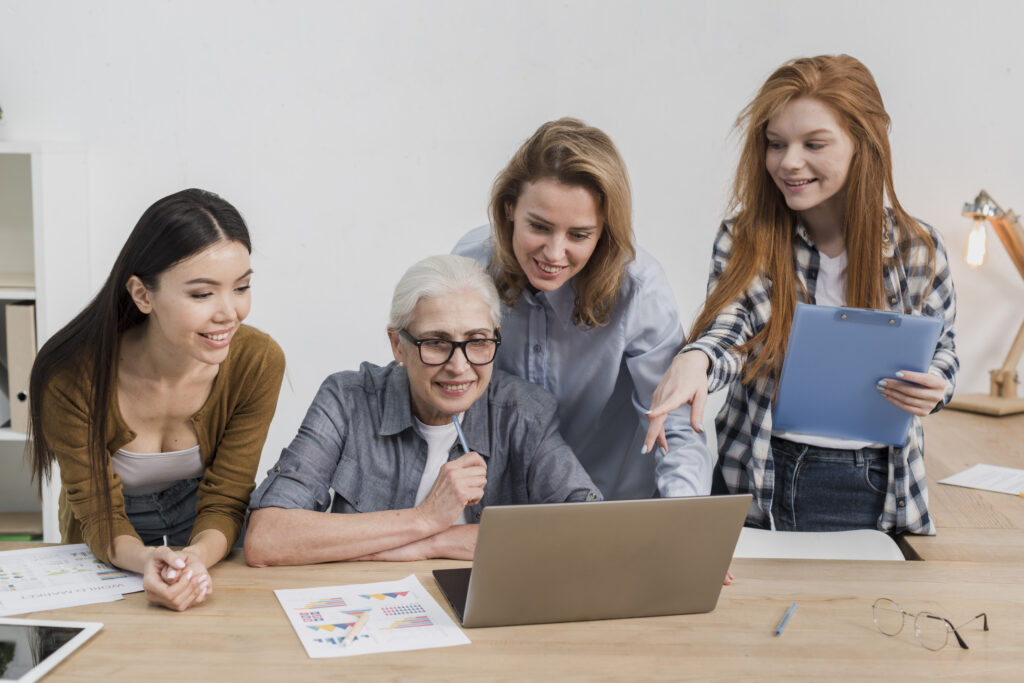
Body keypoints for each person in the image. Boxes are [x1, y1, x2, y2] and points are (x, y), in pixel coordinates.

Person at [645, 55, 958, 534]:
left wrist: (936, 383)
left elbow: (943, 349)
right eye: (775, 144)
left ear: (863, 144)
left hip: (869, 484)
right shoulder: (745, 234)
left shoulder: (918, 247)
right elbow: (733, 322)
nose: (788, 162)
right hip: (753, 470)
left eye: (814, 144)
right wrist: (698, 360)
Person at [244, 254, 600, 566]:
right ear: (398, 344)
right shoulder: (347, 400)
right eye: (436, 343)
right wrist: (424, 519)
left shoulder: (525, 414)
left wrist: (432, 544)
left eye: (477, 342)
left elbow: (590, 531)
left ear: (495, 336)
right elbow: (267, 538)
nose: (459, 367)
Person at [29, 188, 285, 611]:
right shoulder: (71, 377)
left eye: (241, 287)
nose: (229, 313)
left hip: (208, 529)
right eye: (202, 294)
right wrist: (148, 558)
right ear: (143, 294)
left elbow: (227, 496)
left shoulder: (257, 362)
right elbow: (98, 513)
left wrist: (192, 560)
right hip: (108, 541)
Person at [454, 118, 712, 501]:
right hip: (502, 507)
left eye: (579, 235)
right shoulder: (470, 266)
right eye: (539, 227)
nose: (554, 254)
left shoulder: (640, 289)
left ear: (604, 230)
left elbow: (674, 425)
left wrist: (688, 530)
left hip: (612, 509)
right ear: (509, 208)